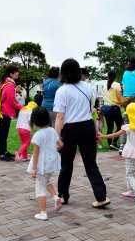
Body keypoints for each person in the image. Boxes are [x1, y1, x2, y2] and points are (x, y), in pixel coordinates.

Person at [54, 58, 110, 208]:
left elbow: (60, 117)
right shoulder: (88, 87)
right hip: (87, 128)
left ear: (63, 73)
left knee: (66, 164)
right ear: (79, 71)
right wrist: (96, 131)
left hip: (70, 129)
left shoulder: (62, 91)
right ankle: (101, 197)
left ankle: (63, 195)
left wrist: (55, 137)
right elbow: (91, 112)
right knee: (91, 163)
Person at [98, 103, 135, 204]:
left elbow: (115, 135)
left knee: (129, 175)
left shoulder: (127, 127)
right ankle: (131, 191)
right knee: (131, 173)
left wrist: (103, 137)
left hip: (131, 154)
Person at [27, 106, 63, 221]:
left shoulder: (38, 135)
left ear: (35, 121)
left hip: (42, 166)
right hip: (52, 164)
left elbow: (36, 154)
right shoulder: (52, 131)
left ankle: (43, 213)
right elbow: (61, 144)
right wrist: (53, 149)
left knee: (40, 188)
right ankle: (56, 198)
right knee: (46, 181)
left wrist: (33, 169)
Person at [0, 65, 24, 161]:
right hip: (5, 112)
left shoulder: (6, 83)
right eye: (16, 72)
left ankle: (3, 152)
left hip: (3, 112)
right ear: (11, 74)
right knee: (3, 135)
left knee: (2, 134)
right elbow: (11, 101)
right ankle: (3, 154)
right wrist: (23, 108)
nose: (18, 73)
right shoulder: (9, 84)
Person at [101, 70, 123, 150]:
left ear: (107, 76)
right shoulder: (117, 85)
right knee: (120, 126)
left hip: (106, 109)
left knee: (110, 127)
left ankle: (110, 144)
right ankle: (114, 142)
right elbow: (119, 98)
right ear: (115, 77)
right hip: (114, 108)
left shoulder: (104, 85)